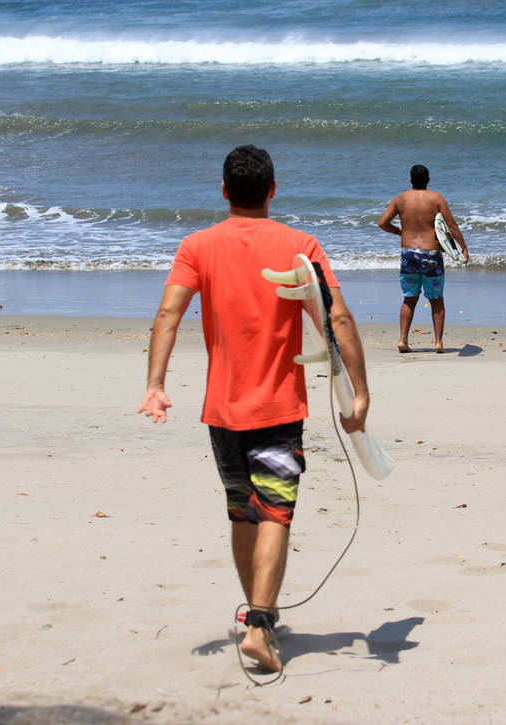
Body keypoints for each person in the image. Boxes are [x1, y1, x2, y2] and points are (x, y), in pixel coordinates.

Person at [137, 145, 371, 673]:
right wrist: (359, 392)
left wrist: (155, 383)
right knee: (277, 513)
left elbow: (168, 313)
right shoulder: (299, 245)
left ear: (224, 191)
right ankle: (262, 626)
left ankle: (257, 619)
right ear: (272, 189)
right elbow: (338, 319)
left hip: (221, 411)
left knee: (244, 512)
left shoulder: (197, 246)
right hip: (278, 407)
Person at [378, 164, 468, 354]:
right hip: (431, 254)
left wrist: (398, 231)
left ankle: (403, 340)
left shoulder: (400, 199)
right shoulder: (436, 198)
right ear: (428, 180)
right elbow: (451, 225)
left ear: (410, 180)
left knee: (409, 298)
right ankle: (438, 343)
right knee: (436, 300)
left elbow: (382, 223)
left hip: (408, 255)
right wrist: (463, 249)